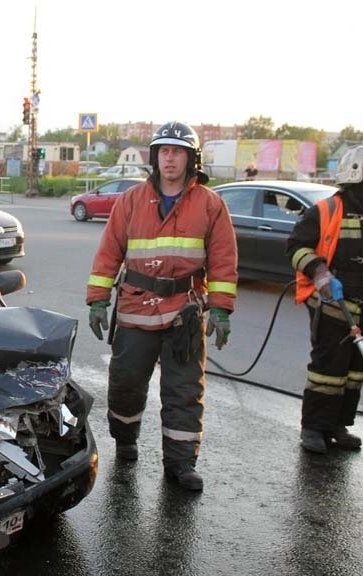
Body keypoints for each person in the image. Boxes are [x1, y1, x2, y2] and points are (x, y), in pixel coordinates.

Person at [86, 121, 239, 491]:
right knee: (126, 384)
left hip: (183, 313)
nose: (170, 159)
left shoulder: (210, 203)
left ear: (191, 158)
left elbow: (223, 260)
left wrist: (220, 308)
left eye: (178, 152)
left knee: (184, 391)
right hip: (135, 311)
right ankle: (125, 442)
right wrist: (97, 300)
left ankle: (181, 464)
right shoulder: (131, 201)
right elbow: (109, 253)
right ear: (155, 157)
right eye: (164, 152)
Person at [286, 143, 363, 454]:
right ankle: (313, 428)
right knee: (327, 371)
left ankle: (338, 425)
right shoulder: (324, 212)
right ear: (357, 173)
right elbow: (296, 248)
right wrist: (320, 273)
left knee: (353, 374)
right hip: (332, 306)